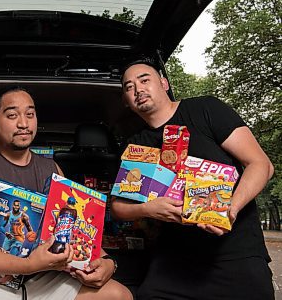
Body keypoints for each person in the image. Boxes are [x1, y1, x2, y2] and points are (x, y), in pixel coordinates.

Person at [0, 86, 133, 300]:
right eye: (12, 115)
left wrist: (108, 262)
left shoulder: (52, 170)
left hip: (40, 280)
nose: (23, 123)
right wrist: (28, 265)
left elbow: (74, 227)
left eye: (30, 114)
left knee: (119, 295)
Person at [112, 56, 275, 299]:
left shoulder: (205, 109)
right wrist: (148, 208)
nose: (138, 89)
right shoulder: (137, 144)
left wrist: (230, 209)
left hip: (235, 255)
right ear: (127, 100)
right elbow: (117, 207)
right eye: (129, 87)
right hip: (173, 263)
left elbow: (261, 164)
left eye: (144, 80)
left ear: (164, 83)